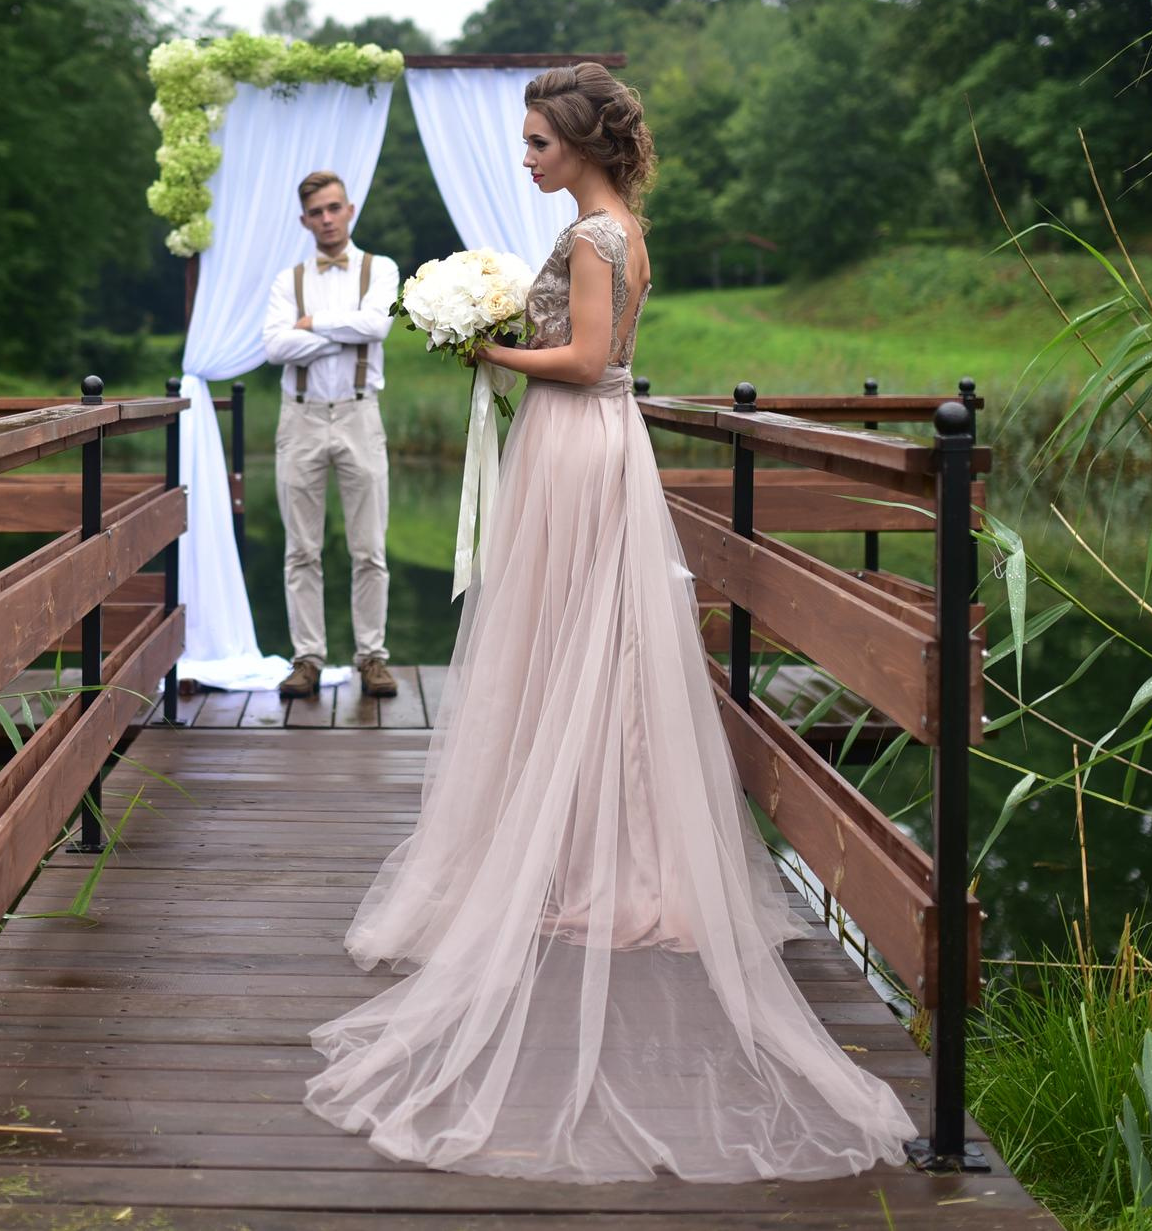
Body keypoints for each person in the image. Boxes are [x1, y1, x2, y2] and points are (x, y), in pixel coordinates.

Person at [303, 65, 915, 1182]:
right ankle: (592, 840)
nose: (527, 155)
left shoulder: (595, 237)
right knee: (588, 645)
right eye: (526, 138)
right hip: (599, 446)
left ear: (583, 142)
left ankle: (588, 860)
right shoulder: (619, 226)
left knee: (575, 640)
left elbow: (586, 362)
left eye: (539, 139)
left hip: (578, 439)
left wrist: (483, 347)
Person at [260, 169, 400, 701]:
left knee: (370, 548)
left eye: (334, 208)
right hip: (299, 419)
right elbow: (274, 348)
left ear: (350, 209)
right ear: (304, 219)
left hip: (362, 415)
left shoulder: (379, 269)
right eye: (317, 212)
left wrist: (309, 324)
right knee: (302, 549)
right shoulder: (286, 279)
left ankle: (372, 657)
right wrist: (340, 329)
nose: (327, 219)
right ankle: (307, 658)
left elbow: (377, 327)